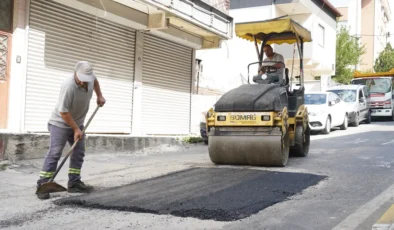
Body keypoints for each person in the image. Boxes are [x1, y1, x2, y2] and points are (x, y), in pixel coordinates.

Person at [36, 61, 106, 200]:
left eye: (86, 80)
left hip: (78, 123)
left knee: (78, 153)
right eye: (81, 79)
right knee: (55, 152)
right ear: (75, 73)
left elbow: (95, 81)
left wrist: (99, 95)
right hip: (60, 124)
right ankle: (42, 184)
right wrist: (75, 129)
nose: (83, 83)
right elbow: (63, 112)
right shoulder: (69, 86)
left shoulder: (90, 77)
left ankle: (74, 183)